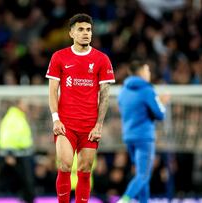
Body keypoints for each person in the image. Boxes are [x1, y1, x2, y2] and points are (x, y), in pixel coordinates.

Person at [46, 13, 115, 203]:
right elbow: (52, 91)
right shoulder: (59, 57)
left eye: (88, 30)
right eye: (81, 29)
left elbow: (105, 95)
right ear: (71, 33)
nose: (86, 33)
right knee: (65, 165)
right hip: (65, 124)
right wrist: (55, 118)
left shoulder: (102, 59)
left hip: (89, 125)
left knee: (85, 169)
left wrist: (99, 125)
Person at [116, 60, 169, 203]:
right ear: (140, 72)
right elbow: (160, 114)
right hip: (144, 138)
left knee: (141, 174)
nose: (149, 73)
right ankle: (124, 200)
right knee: (143, 175)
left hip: (129, 137)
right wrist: (162, 103)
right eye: (147, 70)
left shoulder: (123, 91)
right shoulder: (147, 90)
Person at [0, 99, 35, 203]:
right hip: (13, 155)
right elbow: (7, 138)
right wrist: (9, 154)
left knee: (22, 181)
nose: (27, 106)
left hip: (20, 154)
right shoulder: (13, 118)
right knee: (25, 181)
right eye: (24, 104)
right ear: (19, 105)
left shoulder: (18, 117)